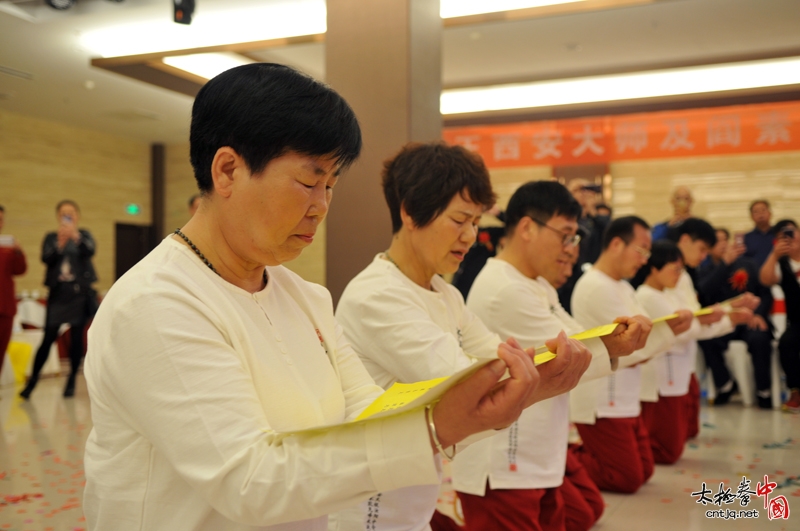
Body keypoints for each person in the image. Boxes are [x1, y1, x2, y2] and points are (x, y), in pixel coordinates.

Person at [82, 64, 541, 531]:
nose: (321, 205)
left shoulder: (303, 297)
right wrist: (437, 426)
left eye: (331, 185)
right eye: (308, 182)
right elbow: (250, 481)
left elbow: (366, 410)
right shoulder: (158, 303)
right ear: (228, 169)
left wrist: (469, 412)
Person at [332, 143, 593, 531]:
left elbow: (496, 356)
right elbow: (467, 383)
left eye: (476, 222)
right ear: (410, 211)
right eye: (460, 220)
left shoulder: (445, 293)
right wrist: (545, 371)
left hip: (415, 486)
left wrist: (539, 365)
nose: (471, 235)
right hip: (371, 504)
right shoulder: (377, 294)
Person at [451, 181, 648, 531]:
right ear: (527, 227)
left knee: (586, 509)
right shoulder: (506, 287)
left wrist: (617, 342)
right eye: (566, 235)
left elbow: (577, 338)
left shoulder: (536, 284)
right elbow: (570, 352)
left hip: (537, 447)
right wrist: (618, 343)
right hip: (504, 459)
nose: (570, 249)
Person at [570, 216, 694, 494]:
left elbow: (644, 338)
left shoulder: (624, 287)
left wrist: (668, 330)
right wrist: (671, 330)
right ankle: (565, 460)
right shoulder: (595, 286)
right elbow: (629, 348)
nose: (643, 260)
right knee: (625, 478)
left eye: (647, 254)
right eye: (641, 251)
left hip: (627, 394)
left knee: (645, 470)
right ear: (616, 244)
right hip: (602, 398)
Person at [20, 200, 97, 399]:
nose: (67, 216)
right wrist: (60, 245)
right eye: (64, 213)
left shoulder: (84, 235)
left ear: (77, 216)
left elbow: (90, 251)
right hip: (58, 294)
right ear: (58, 216)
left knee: (76, 338)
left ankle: (71, 380)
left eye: (71, 213)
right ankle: (33, 381)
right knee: (48, 338)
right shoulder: (51, 237)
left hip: (78, 294)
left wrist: (75, 237)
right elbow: (46, 259)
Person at [697, 228, 773, 408]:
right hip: (723, 322)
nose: (723, 244)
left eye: (725, 240)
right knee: (706, 340)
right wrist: (724, 265)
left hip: (749, 320)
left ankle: (764, 390)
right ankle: (725, 384)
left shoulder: (749, 264)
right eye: (717, 241)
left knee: (760, 338)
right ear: (708, 248)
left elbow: (765, 293)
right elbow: (705, 292)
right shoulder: (705, 270)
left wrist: (758, 314)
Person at [759, 219, 800, 412]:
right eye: (783, 236)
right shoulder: (781, 263)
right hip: (797, 322)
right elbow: (765, 279)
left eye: (792, 233)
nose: (789, 238)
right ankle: (796, 390)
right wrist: (774, 255)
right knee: (787, 343)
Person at [557, 179, 609, 314]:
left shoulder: (596, 219)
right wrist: (571, 203)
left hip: (591, 272)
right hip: (569, 276)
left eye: (586, 191)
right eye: (579, 191)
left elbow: (609, 232)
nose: (583, 195)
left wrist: (591, 209)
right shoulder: (566, 218)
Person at [0, 204, 28, 380]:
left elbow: (20, 269)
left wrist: (18, 252)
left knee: (1, 349)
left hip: (5, 307)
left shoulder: (8, 248)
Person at [744, 199, 774, 268]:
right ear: (751, 217)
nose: (761, 213)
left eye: (763, 210)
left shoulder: (779, 234)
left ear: (770, 213)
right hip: (754, 276)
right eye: (756, 212)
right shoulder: (747, 238)